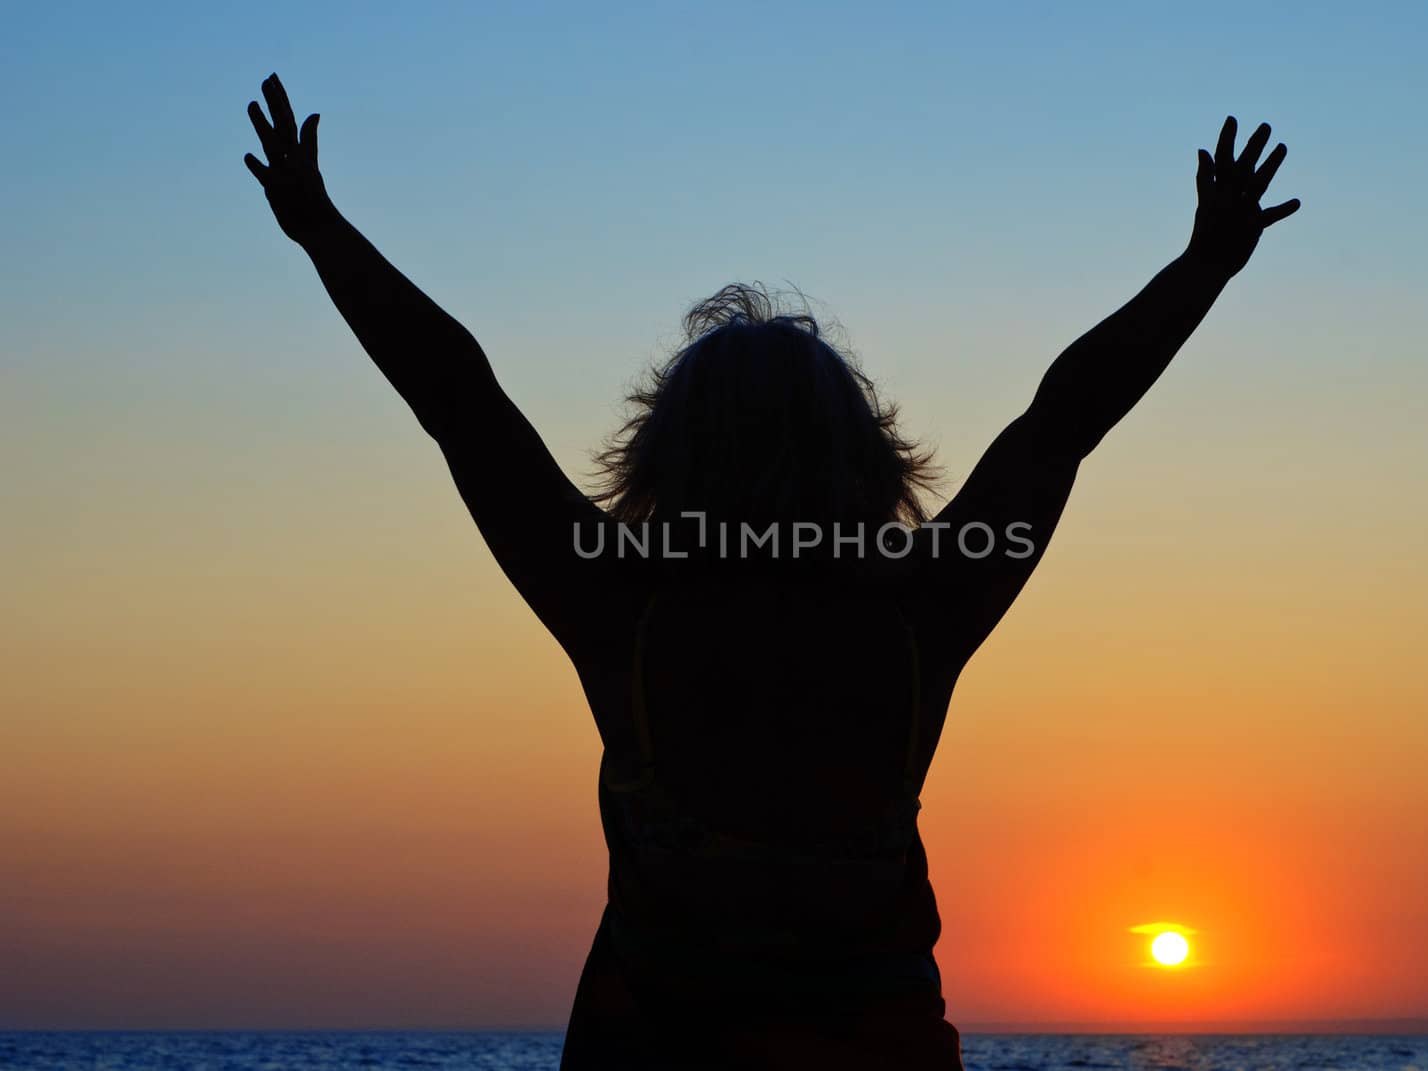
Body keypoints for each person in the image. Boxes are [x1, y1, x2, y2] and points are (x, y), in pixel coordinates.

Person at [243, 72, 1298, 1070]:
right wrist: (1203, 265)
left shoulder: (619, 605)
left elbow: (459, 404)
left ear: (666, 454)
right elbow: (1063, 423)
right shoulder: (923, 608)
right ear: (862, 451)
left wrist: (322, 233)